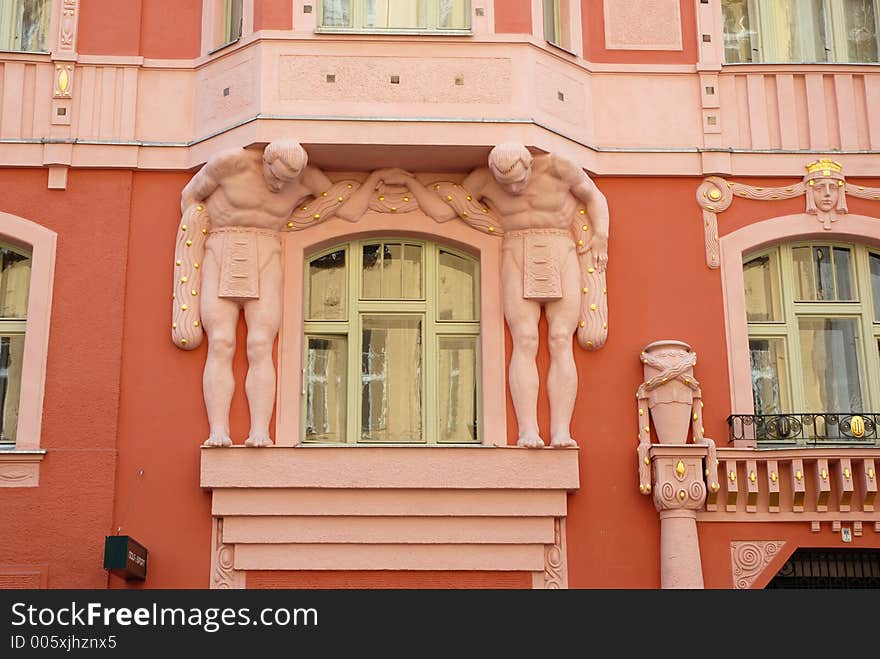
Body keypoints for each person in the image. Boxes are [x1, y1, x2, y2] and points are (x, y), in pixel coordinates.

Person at [389, 144, 610, 447]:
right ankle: (527, 431)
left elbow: (594, 196)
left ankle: (561, 431)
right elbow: (443, 212)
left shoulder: (560, 165)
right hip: (517, 248)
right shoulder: (483, 179)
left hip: (561, 246)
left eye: (519, 180)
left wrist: (601, 236)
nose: (515, 188)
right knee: (525, 339)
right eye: (507, 184)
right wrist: (412, 184)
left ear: (529, 164)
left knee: (560, 339)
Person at [173, 140, 385, 447]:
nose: (280, 185)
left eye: (288, 180)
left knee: (260, 343)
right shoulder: (230, 162)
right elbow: (190, 198)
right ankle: (218, 430)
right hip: (222, 246)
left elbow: (350, 210)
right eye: (277, 176)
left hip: (267, 250)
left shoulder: (305, 178)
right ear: (266, 162)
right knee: (221, 342)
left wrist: (375, 180)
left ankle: (260, 431)